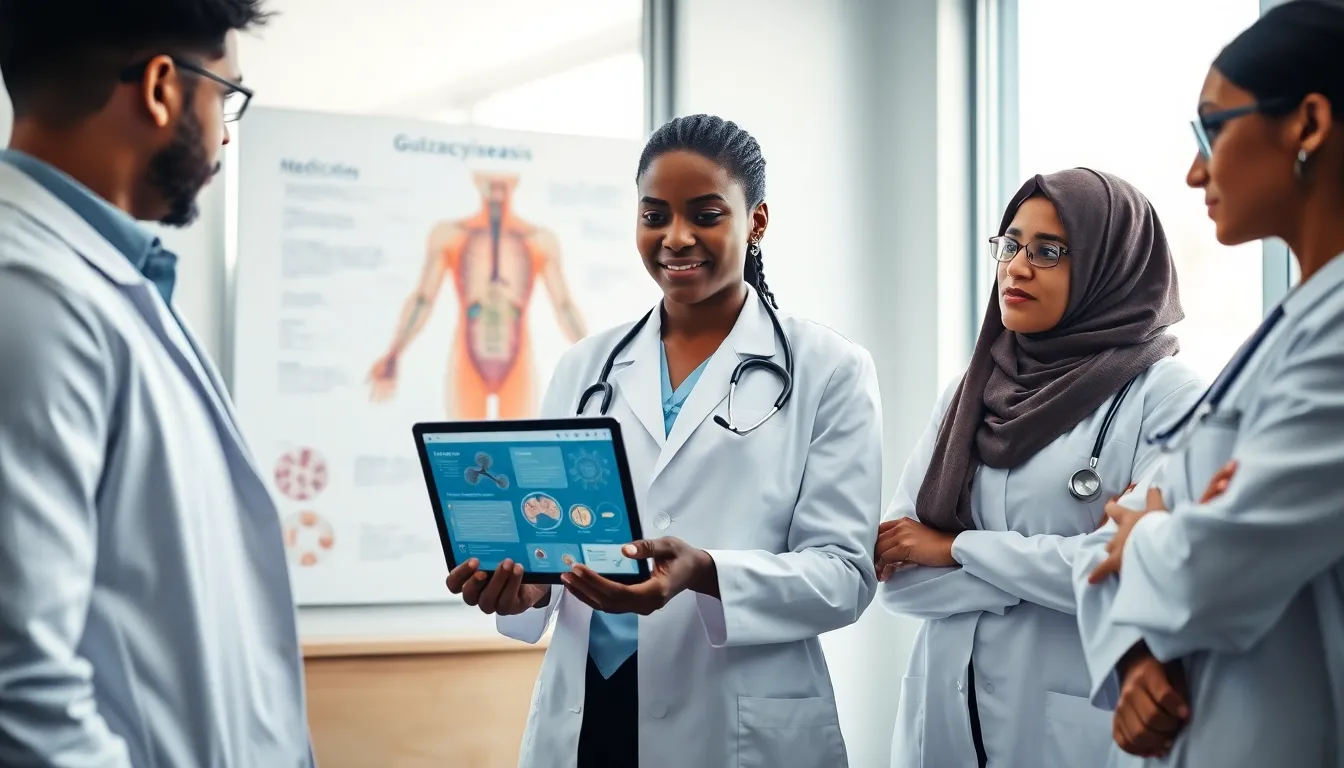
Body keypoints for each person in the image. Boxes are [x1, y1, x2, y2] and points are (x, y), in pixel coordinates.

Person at [444, 113, 884, 768]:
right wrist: (529, 586)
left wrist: (706, 572)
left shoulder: (829, 370)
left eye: (705, 215)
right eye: (655, 216)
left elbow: (845, 575)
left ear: (756, 221)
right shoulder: (585, 367)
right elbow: (557, 538)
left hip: (734, 719)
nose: (676, 238)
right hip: (592, 709)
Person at [0, 2, 314, 766]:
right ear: (163, 88)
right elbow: (22, 684)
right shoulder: (30, 295)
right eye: (227, 96)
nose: (227, 131)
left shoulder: (107, 280)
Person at [1074, 2, 1344, 765]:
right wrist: (1135, 653)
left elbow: (1215, 569)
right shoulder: (1287, 332)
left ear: (1308, 124)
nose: (1195, 170)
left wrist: (1151, 530)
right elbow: (1105, 543)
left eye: (1211, 130)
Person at [875, 168, 1205, 767]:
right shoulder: (969, 391)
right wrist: (1055, 570)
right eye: (1011, 244)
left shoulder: (1166, 397)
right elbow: (897, 575)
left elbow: (1132, 573)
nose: (1017, 267)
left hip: (1070, 728)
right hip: (944, 720)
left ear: (1114, 265)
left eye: (1048, 251)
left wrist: (955, 549)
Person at [368, 170, 588, 420]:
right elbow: (423, 299)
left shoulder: (539, 239)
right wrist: (395, 352)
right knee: (463, 453)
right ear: (475, 179)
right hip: (467, 363)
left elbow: (564, 305)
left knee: (522, 449)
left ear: (515, 180)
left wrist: (598, 361)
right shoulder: (451, 234)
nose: (496, 180)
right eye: (488, 174)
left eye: (503, 173)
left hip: (517, 365)